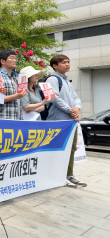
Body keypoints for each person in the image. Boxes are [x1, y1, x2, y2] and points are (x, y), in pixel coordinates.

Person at [45, 55, 86, 187]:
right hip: (58, 121)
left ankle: (69, 174)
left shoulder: (67, 81)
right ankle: (58, 176)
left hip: (70, 120)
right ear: (55, 66)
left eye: (68, 62)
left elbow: (76, 98)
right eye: (64, 62)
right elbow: (54, 98)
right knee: (59, 149)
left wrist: (77, 108)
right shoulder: (52, 79)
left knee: (71, 148)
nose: (67, 64)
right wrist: (70, 110)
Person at [0, 49, 25, 120]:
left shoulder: (17, 77)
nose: (15, 60)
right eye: (12, 58)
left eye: (15, 58)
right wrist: (15, 96)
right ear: (2, 61)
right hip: (4, 118)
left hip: (18, 118)